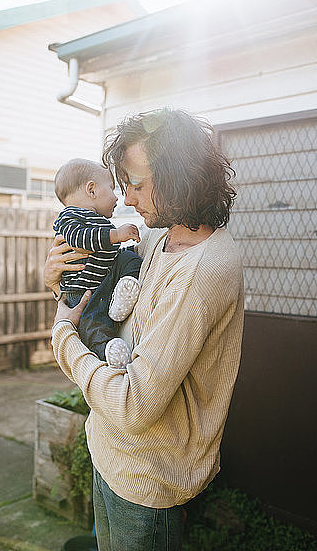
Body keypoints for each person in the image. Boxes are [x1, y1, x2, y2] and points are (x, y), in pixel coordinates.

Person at [44, 108, 244, 551]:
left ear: (178, 176)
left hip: (145, 480)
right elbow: (100, 299)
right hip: (108, 451)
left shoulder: (204, 269)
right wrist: (62, 283)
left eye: (136, 183)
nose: (128, 198)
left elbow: (135, 405)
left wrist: (63, 336)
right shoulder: (157, 237)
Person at [52, 158, 142, 367]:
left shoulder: (99, 221)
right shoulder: (70, 217)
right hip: (83, 290)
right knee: (92, 326)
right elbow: (79, 239)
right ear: (91, 190)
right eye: (112, 188)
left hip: (105, 279)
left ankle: (123, 295)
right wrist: (116, 235)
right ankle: (109, 350)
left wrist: (128, 248)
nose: (117, 198)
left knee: (129, 258)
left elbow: (110, 252)